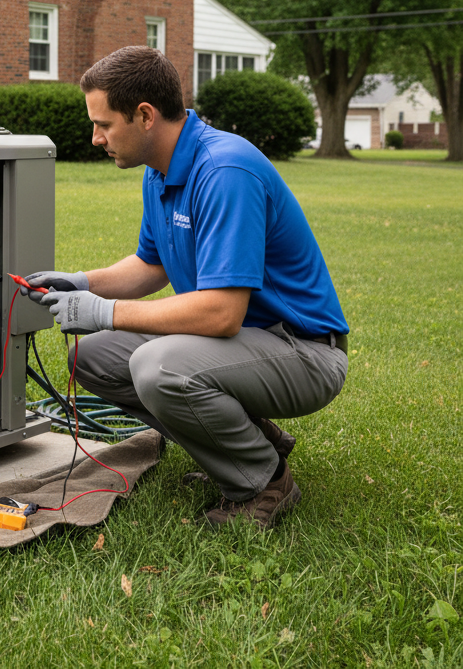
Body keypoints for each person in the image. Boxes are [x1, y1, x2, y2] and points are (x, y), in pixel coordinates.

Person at [23, 46, 349, 529]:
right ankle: (253, 441)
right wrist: (81, 282)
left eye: (104, 124)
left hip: (301, 351)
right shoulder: (160, 171)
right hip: (239, 345)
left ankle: (263, 482)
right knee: (92, 357)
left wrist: (103, 310)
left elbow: (220, 314)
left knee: (157, 367)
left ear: (145, 115)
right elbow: (150, 265)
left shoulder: (222, 171)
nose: (95, 138)